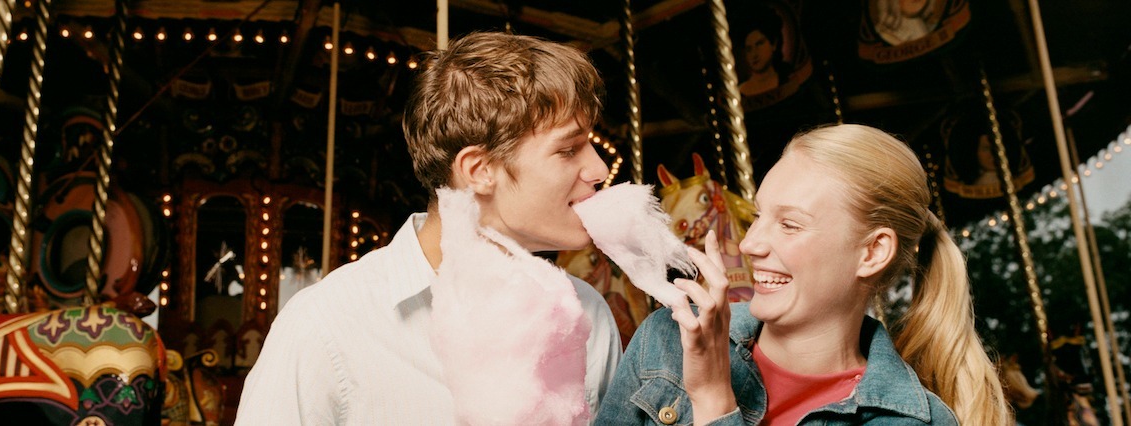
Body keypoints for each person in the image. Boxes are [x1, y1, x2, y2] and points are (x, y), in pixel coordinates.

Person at [236, 32, 622, 424]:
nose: (599, 170)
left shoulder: (588, 314)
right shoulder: (327, 325)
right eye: (568, 149)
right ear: (480, 171)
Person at [595, 124, 1011, 425]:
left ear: (872, 252)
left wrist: (714, 400)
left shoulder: (912, 421)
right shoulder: (666, 341)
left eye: (790, 224)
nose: (750, 244)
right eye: (758, 216)